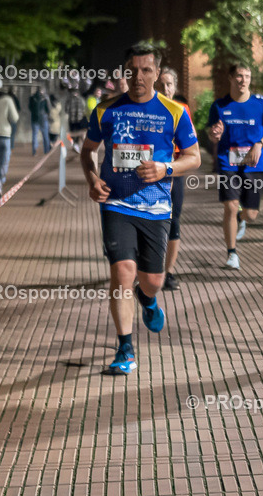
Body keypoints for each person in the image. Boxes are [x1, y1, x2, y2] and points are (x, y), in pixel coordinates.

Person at [79, 43, 200, 375]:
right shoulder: (106, 110)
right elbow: (88, 150)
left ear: (157, 73)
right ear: (123, 73)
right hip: (116, 204)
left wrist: (166, 169)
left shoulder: (175, 112)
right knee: (122, 273)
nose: (138, 77)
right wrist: (92, 179)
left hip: (157, 207)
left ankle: (147, 300)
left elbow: (194, 157)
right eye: (131, 71)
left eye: (146, 70)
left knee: (154, 280)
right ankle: (125, 348)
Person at [206, 62, 263, 270]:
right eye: (239, 76)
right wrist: (214, 135)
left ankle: (241, 217)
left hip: (254, 164)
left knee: (251, 214)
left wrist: (259, 144)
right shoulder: (219, 106)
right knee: (229, 205)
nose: (243, 80)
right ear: (230, 78)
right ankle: (232, 254)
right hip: (227, 162)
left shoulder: (261, 103)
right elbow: (212, 134)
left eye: (247, 76)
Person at [157, 67, 190, 290]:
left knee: (173, 220)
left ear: (175, 87)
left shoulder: (181, 110)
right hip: (148, 173)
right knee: (149, 220)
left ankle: (168, 273)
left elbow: (190, 149)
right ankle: (147, 268)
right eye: (161, 84)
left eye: (169, 84)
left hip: (174, 172)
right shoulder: (144, 109)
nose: (165, 89)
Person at [29, 86, 52, 156]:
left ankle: (34, 151)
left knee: (34, 135)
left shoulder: (32, 98)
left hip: (34, 118)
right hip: (43, 118)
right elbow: (48, 109)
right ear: (42, 91)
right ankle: (47, 151)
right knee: (45, 136)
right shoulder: (45, 98)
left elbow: (30, 107)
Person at [6, 86, 20, 152]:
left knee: (6, 133)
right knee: (12, 133)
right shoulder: (15, 98)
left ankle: (6, 146)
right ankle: (11, 146)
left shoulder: (5, 97)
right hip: (12, 118)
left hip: (5, 118)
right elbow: (19, 108)